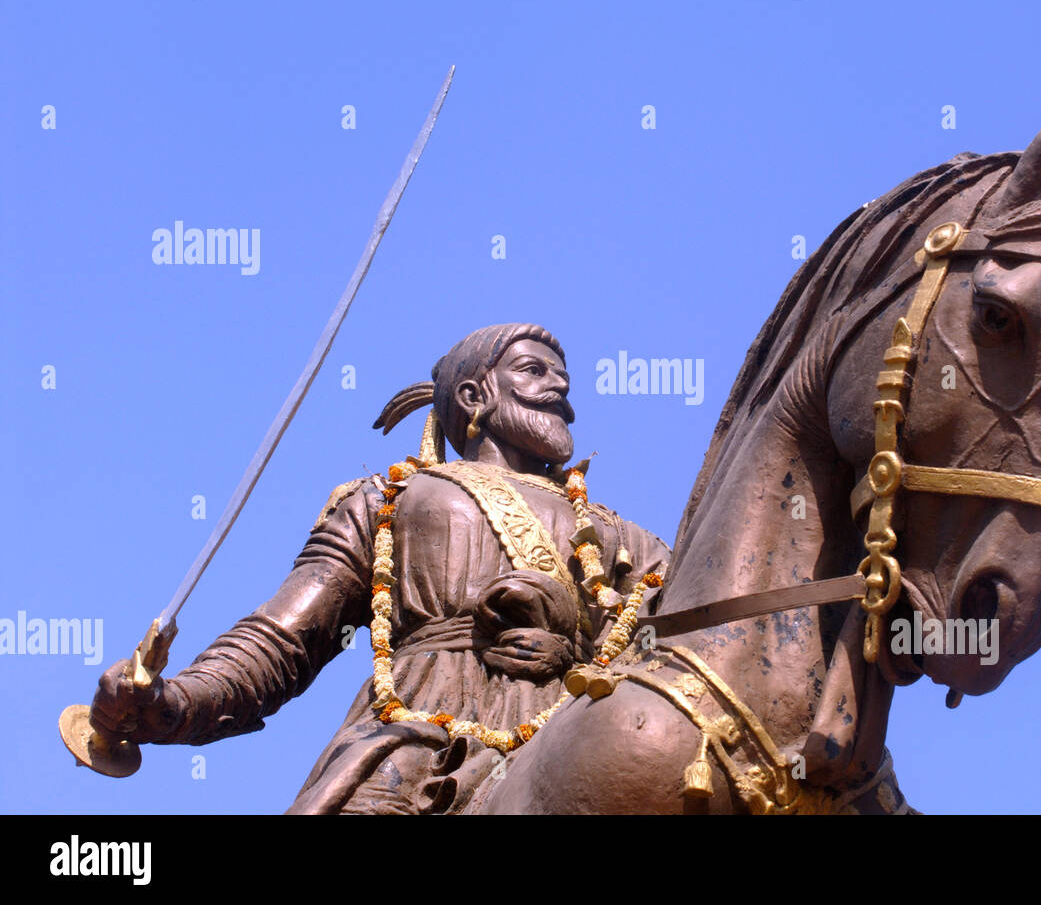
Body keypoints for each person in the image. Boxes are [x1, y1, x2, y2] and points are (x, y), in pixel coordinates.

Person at [90, 323, 671, 813]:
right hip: (420, 727)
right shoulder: (391, 497)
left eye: (562, 378)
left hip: (575, 723)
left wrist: (577, 648)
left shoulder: (624, 539)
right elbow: (283, 638)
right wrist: (176, 703)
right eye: (534, 371)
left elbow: (679, 649)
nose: (560, 388)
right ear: (474, 396)